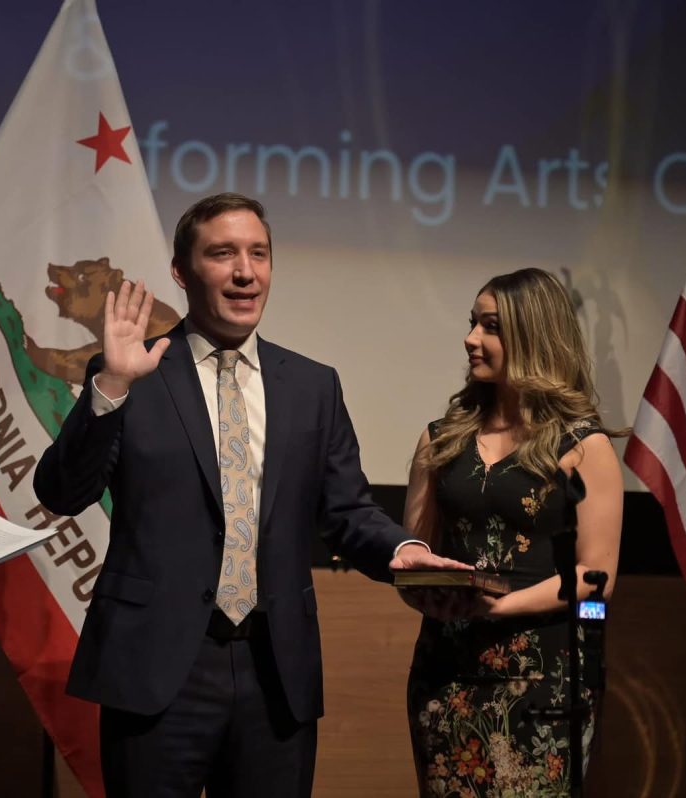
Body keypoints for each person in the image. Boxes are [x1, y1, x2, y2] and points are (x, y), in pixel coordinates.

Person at [33, 192, 468, 797]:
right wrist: (110, 386)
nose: (245, 271)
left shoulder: (313, 386)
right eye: (223, 254)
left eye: (258, 254)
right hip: (159, 671)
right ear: (182, 274)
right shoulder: (134, 373)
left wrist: (402, 550)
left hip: (275, 671)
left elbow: (347, 511)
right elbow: (62, 491)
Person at [402, 267, 625, 797]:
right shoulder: (439, 440)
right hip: (447, 677)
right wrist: (429, 594)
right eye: (472, 323)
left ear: (532, 335)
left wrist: (502, 606)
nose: (470, 338)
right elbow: (413, 557)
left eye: (490, 326)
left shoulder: (583, 446)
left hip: (548, 682)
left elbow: (597, 578)